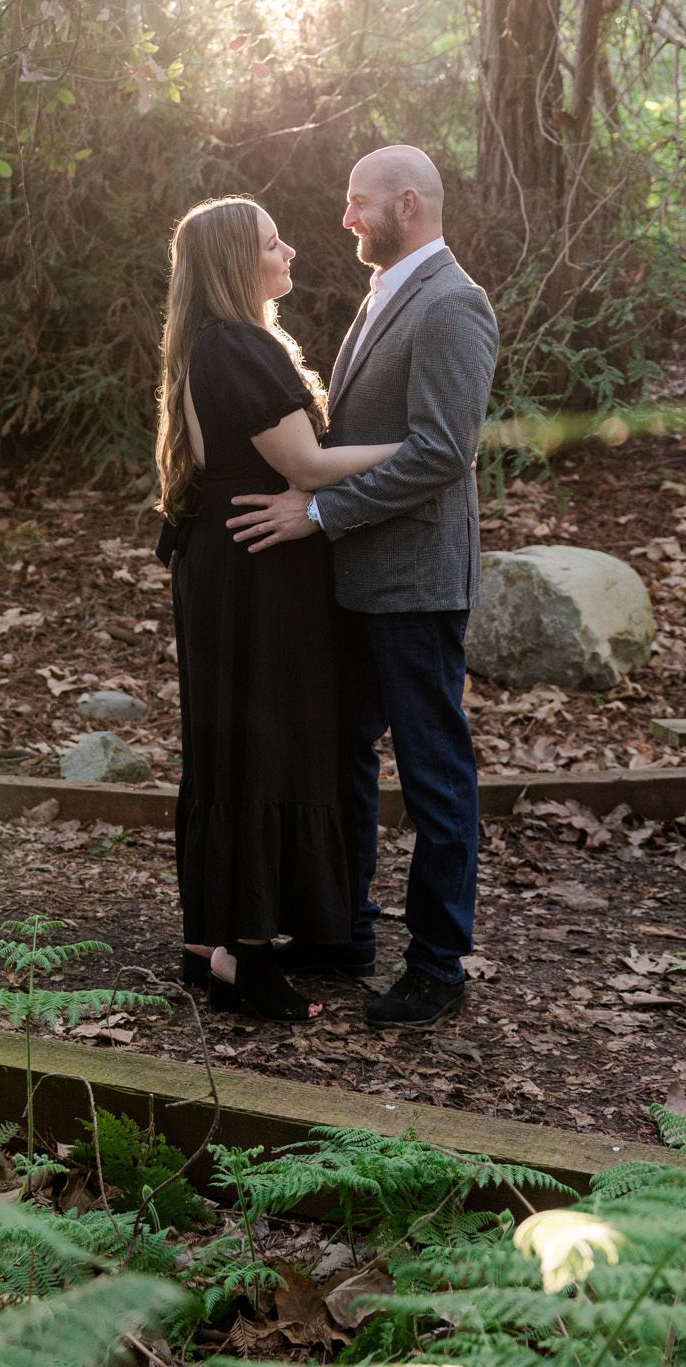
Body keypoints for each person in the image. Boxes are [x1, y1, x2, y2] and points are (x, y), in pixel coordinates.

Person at [227, 146, 498, 1030]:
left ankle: (438, 964)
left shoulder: (453, 304)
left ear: (407, 203)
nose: (343, 219)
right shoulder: (385, 295)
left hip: (414, 577)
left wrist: (317, 513)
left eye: (356, 203)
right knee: (342, 755)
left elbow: (438, 453)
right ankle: (344, 932)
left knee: (432, 773)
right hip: (356, 577)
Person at [156, 195, 401, 1020]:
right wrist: (422, 451)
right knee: (265, 743)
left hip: (233, 565)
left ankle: (210, 947)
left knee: (229, 745)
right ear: (236, 263)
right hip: (256, 573)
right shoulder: (236, 345)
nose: (289, 250)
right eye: (272, 242)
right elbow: (303, 462)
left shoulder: (207, 346)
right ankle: (251, 958)